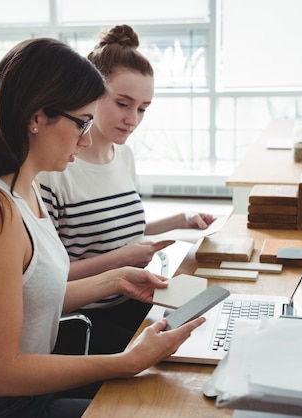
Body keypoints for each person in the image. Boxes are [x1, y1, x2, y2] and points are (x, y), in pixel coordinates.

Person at [0, 38, 205, 418]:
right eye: (81, 123)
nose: (87, 138)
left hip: (29, 393)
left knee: (175, 394)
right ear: (36, 117)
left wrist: (113, 280)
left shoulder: (26, 187)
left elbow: (28, 298)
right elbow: (1, 374)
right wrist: (124, 362)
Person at [38, 25, 216, 355]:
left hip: (130, 300)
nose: (132, 119)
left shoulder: (124, 156)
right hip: (84, 319)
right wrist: (121, 260)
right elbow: (46, 277)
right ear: (92, 93)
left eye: (143, 108)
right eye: (123, 104)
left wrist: (181, 219)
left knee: (205, 326)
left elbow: (115, 231)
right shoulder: (54, 170)